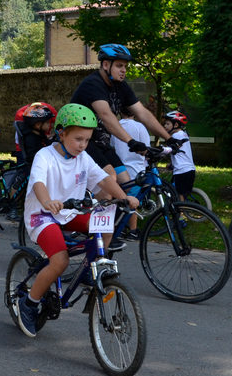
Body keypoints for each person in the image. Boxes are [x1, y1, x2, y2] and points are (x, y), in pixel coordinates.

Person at [15, 104, 139, 337]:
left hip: (69, 212)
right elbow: (39, 183)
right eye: (78, 139)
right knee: (59, 261)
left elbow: (103, 180)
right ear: (61, 134)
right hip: (42, 215)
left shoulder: (83, 158)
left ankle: (92, 268)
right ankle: (29, 303)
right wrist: (48, 201)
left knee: (105, 226)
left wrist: (125, 198)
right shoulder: (45, 156)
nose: (83, 145)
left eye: (87, 139)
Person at [70, 45, 174, 182]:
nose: (124, 70)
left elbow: (142, 112)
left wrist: (169, 138)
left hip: (103, 145)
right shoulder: (93, 84)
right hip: (83, 143)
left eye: (125, 66)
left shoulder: (120, 86)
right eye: (119, 66)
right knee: (110, 181)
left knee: (127, 183)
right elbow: (106, 115)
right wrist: (131, 142)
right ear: (106, 65)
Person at [110, 106, 152, 245]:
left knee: (120, 200)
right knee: (132, 199)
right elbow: (146, 147)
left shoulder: (115, 126)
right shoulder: (141, 127)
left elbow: (111, 147)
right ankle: (133, 230)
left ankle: (121, 228)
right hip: (138, 168)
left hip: (120, 167)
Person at [162, 110, 195, 201]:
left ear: (175, 125)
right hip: (189, 169)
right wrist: (172, 165)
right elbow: (180, 153)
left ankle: (180, 212)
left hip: (182, 171)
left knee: (178, 193)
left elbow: (169, 150)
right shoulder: (183, 134)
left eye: (167, 124)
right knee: (176, 189)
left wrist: (160, 151)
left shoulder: (176, 136)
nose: (165, 126)